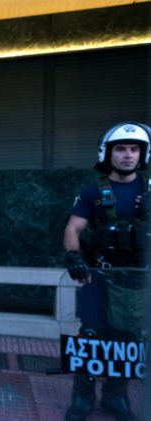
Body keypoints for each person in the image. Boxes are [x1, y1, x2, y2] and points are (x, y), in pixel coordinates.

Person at [63, 122, 151, 421]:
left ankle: (117, 398)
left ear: (143, 154)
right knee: (90, 337)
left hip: (139, 280)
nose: (128, 155)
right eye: (121, 149)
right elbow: (74, 228)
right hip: (99, 277)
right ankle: (82, 398)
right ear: (108, 153)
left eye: (134, 149)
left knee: (127, 339)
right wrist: (74, 258)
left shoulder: (150, 190)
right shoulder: (92, 191)